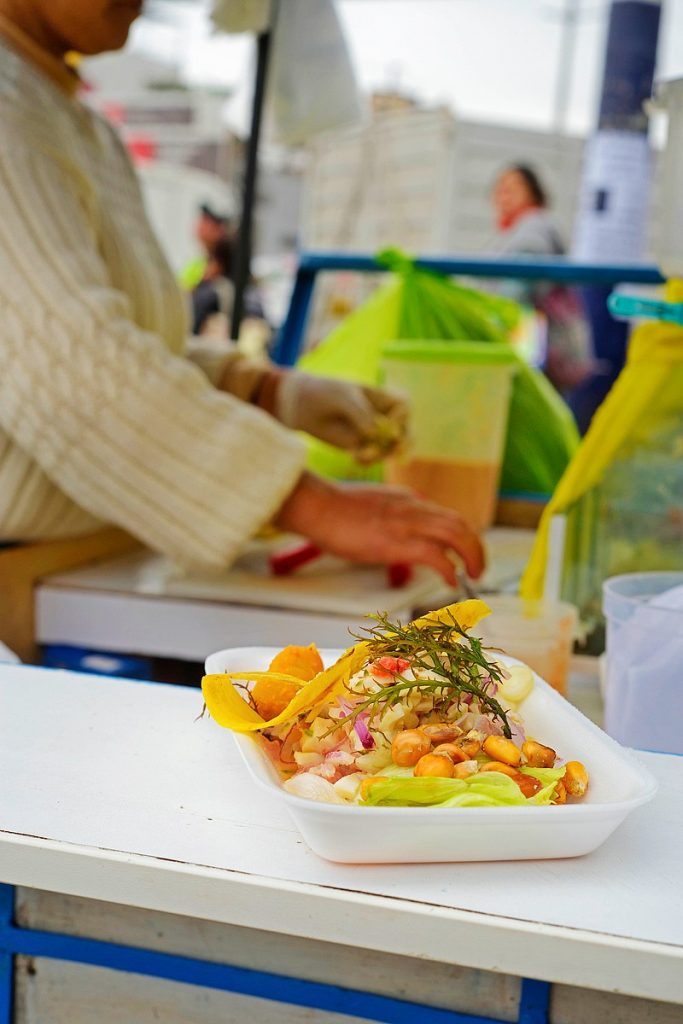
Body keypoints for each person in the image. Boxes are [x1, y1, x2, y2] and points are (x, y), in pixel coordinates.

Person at [0, 0, 484, 587]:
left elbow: (106, 349)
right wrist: (313, 505)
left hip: (72, 563)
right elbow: (73, 370)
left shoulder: (72, 120)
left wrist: (268, 390)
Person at [491, 164, 594, 395]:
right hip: (541, 345)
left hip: (536, 345)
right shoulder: (528, 228)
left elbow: (518, 287)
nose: (503, 196)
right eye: (500, 190)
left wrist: (493, 320)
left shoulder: (533, 228)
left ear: (533, 193)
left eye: (512, 189)